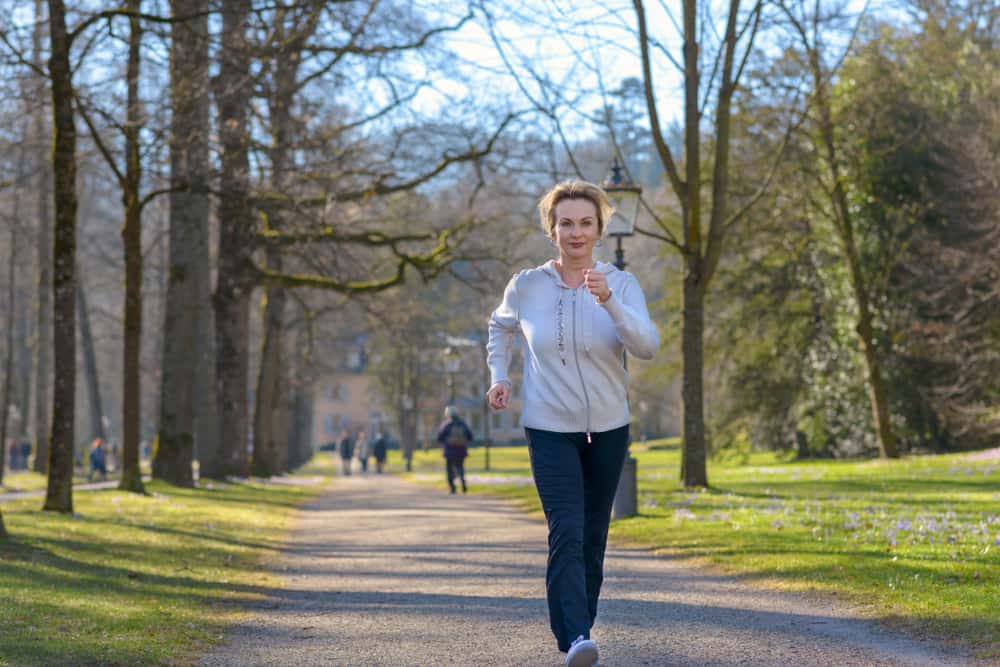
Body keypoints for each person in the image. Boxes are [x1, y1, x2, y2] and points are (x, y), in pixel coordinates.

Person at [485, 180, 659, 667]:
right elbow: (499, 327)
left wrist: (611, 303)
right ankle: (578, 637)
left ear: (600, 229)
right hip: (548, 427)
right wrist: (499, 376)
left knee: (593, 534)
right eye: (566, 223)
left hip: (608, 427)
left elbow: (646, 346)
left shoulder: (621, 284)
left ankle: (579, 625)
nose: (575, 232)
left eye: (586, 223)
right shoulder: (527, 285)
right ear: (552, 229)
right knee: (566, 528)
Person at [436, 405, 472, 494]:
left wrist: (446, 442)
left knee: (449, 470)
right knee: (460, 468)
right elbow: (470, 436)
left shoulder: (447, 424)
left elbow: (439, 437)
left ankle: (452, 488)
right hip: (461, 450)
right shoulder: (462, 423)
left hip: (449, 451)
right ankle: (463, 484)